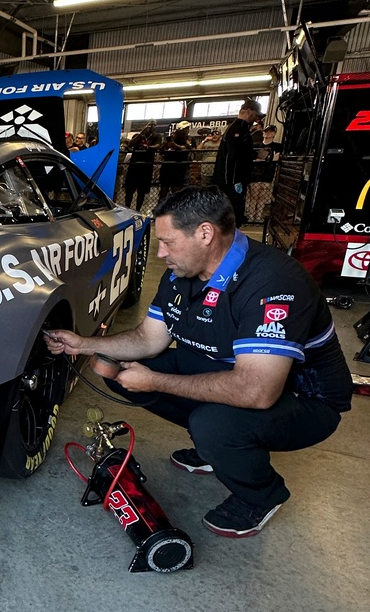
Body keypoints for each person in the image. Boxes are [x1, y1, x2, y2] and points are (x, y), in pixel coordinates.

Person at [45, 187, 350, 538]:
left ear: (205, 234)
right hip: (233, 371)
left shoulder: (273, 282)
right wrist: (83, 344)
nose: (160, 253)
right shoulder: (182, 274)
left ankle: (261, 494)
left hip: (304, 401)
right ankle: (213, 449)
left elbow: (258, 391)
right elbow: (148, 338)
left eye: (168, 242)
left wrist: (156, 382)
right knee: (114, 366)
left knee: (214, 424)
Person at [213, 98, 263, 227]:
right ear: (248, 111)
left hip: (231, 177)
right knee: (233, 208)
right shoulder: (238, 127)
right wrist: (255, 154)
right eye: (256, 114)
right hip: (232, 178)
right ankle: (230, 235)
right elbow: (236, 153)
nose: (257, 118)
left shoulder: (240, 127)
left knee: (232, 208)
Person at [122, 132, 157, 211]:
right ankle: (127, 209)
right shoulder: (138, 136)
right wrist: (142, 132)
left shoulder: (155, 136)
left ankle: (138, 210)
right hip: (134, 167)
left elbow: (158, 146)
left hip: (146, 168)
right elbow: (130, 144)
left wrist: (148, 147)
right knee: (129, 191)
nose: (150, 127)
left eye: (152, 125)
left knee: (141, 192)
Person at [158, 121, 191, 199]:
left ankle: (174, 209)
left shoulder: (187, 140)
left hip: (179, 168)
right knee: (163, 191)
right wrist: (164, 146)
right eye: (184, 129)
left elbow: (187, 148)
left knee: (176, 191)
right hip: (167, 168)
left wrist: (175, 146)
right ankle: (160, 208)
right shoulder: (171, 140)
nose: (186, 131)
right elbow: (161, 152)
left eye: (187, 129)